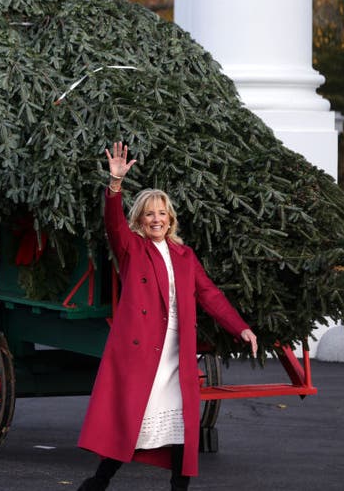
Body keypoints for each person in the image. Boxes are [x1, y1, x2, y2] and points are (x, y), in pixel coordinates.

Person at [77, 142, 258, 490]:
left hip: (177, 348)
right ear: (140, 220)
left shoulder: (184, 255)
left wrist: (241, 328)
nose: (157, 219)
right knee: (135, 420)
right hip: (144, 350)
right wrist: (115, 185)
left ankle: (177, 487)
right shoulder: (132, 247)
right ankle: (98, 482)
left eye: (162, 213)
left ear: (170, 218)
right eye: (149, 214)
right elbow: (113, 225)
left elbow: (210, 295)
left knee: (182, 425)